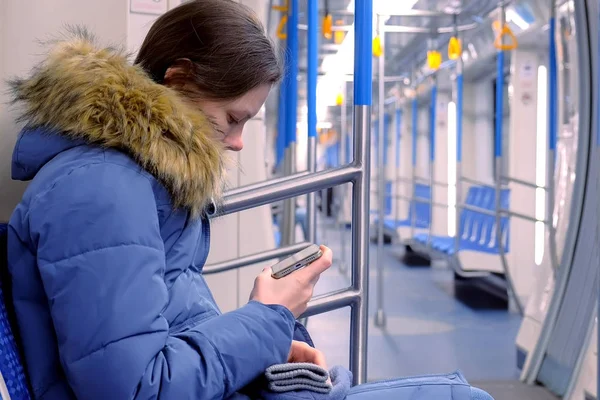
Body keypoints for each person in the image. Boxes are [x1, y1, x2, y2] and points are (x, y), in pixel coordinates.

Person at [5, 1, 333, 399]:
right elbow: (139, 389)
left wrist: (264, 348)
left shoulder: (139, 184)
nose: (237, 142)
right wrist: (266, 321)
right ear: (178, 81)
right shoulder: (101, 190)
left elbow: (167, 338)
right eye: (233, 118)